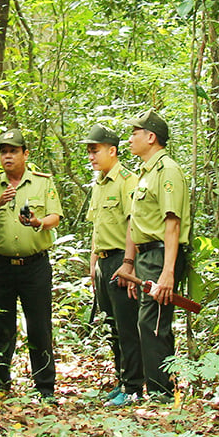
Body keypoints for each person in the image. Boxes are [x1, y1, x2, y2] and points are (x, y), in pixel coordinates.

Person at [0, 128, 62, 400]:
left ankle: (45, 388)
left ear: (25, 154)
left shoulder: (42, 183)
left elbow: (56, 216)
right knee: (1, 325)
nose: (7, 156)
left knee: (39, 326)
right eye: (3, 151)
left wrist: (38, 222)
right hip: (1, 267)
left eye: (13, 151)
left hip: (35, 266)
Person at [119, 109, 191, 403]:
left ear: (151, 137)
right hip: (148, 256)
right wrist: (132, 262)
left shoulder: (167, 171)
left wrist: (168, 272)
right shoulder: (145, 173)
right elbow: (139, 224)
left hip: (163, 256)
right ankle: (158, 391)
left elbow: (171, 223)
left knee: (155, 324)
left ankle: (163, 394)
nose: (130, 139)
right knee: (146, 324)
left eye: (135, 133)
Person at [82, 124, 142, 406]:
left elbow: (133, 224)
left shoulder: (126, 181)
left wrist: (129, 264)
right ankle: (122, 380)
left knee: (127, 325)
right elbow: (98, 228)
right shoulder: (99, 183)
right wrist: (93, 265)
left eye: (95, 151)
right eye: (89, 151)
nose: (91, 157)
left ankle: (133, 386)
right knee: (112, 327)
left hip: (121, 260)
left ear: (112, 151)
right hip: (104, 263)